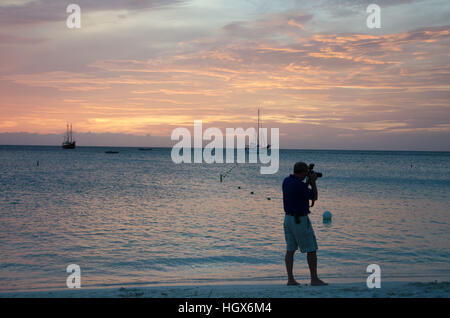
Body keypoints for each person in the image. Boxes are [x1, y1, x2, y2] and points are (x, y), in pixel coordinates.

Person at [282, 162, 327, 286]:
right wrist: (313, 182)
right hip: (300, 220)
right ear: (303, 172)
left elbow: (299, 193)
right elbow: (314, 196)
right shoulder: (300, 186)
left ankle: (290, 279)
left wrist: (306, 181)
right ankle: (314, 279)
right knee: (311, 249)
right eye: (307, 172)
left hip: (288, 219)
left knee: (290, 250)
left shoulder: (286, 181)